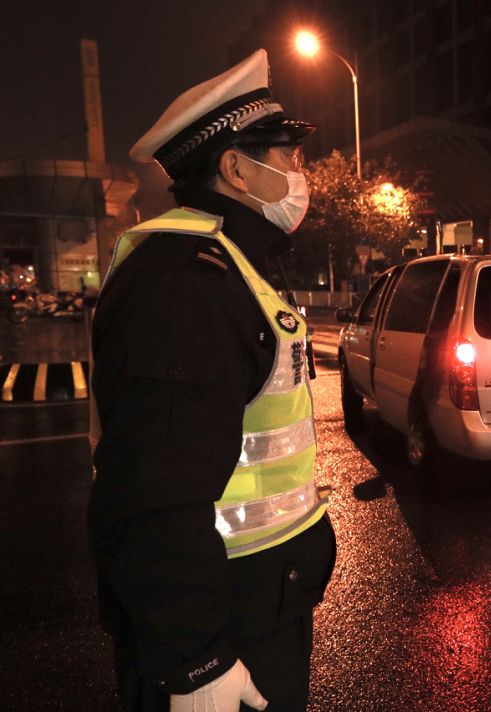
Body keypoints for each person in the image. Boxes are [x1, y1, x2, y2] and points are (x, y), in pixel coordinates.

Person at [89, 50, 336, 711]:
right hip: (218, 629)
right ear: (234, 167)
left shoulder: (229, 261)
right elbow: (153, 494)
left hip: (253, 603)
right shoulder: (186, 283)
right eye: (288, 156)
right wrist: (196, 663)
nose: (299, 173)